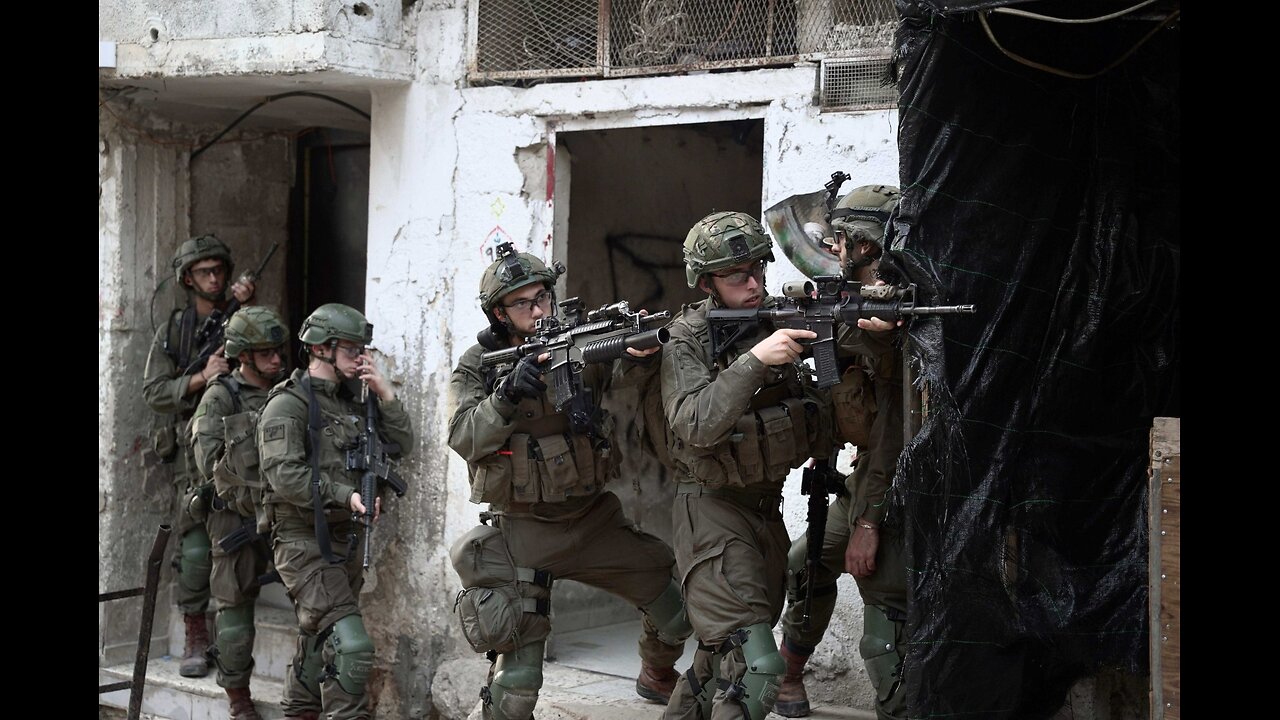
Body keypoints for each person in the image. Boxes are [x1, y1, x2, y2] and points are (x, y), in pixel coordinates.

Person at [447, 242, 692, 719]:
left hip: (594, 519)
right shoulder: (480, 364)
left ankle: (655, 674)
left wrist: (639, 353)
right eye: (523, 303)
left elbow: (623, 372)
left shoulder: (577, 339)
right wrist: (505, 399)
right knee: (518, 685)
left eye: (543, 297)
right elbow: (462, 436)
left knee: (676, 614)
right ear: (499, 313)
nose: (539, 309)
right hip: (524, 535)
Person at [659, 211, 834, 720]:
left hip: (763, 514)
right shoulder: (687, 339)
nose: (755, 284)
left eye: (759, 269)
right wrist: (756, 360)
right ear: (708, 283)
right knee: (759, 667)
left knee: (722, 662)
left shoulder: (779, 318)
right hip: (710, 513)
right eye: (739, 277)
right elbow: (694, 422)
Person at [774, 185, 910, 720]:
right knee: (805, 563)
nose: (831, 249)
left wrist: (869, 522)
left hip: (905, 488)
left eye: (841, 240)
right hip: (862, 480)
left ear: (868, 247)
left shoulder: (903, 313)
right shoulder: (846, 301)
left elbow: (894, 431)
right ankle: (788, 674)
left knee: (882, 629)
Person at [257, 303, 416, 720]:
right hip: (302, 544)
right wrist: (345, 495)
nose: (360, 358)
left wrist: (384, 394)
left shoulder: (353, 404)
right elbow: (285, 476)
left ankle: (299, 712)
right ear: (322, 349)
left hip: (344, 541)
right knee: (352, 646)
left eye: (363, 350)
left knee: (317, 636)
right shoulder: (287, 406)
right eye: (351, 349)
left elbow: (401, 444)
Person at [143, 234, 256, 677]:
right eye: (204, 272)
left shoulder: (239, 318)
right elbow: (154, 392)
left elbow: (267, 359)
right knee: (193, 550)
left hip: (237, 448)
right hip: (191, 455)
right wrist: (199, 379)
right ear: (187, 278)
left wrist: (247, 310)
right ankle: (195, 630)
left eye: (219, 271)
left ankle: (234, 639)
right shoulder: (175, 329)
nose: (214, 278)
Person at [190, 306, 291, 720]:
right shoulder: (220, 397)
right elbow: (209, 463)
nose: (276, 359)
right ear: (244, 355)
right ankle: (238, 698)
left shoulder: (286, 392)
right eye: (266, 353)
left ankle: (303, 699)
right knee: (233, 614)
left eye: (278, 351)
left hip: (284, 514)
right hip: (236, 517)